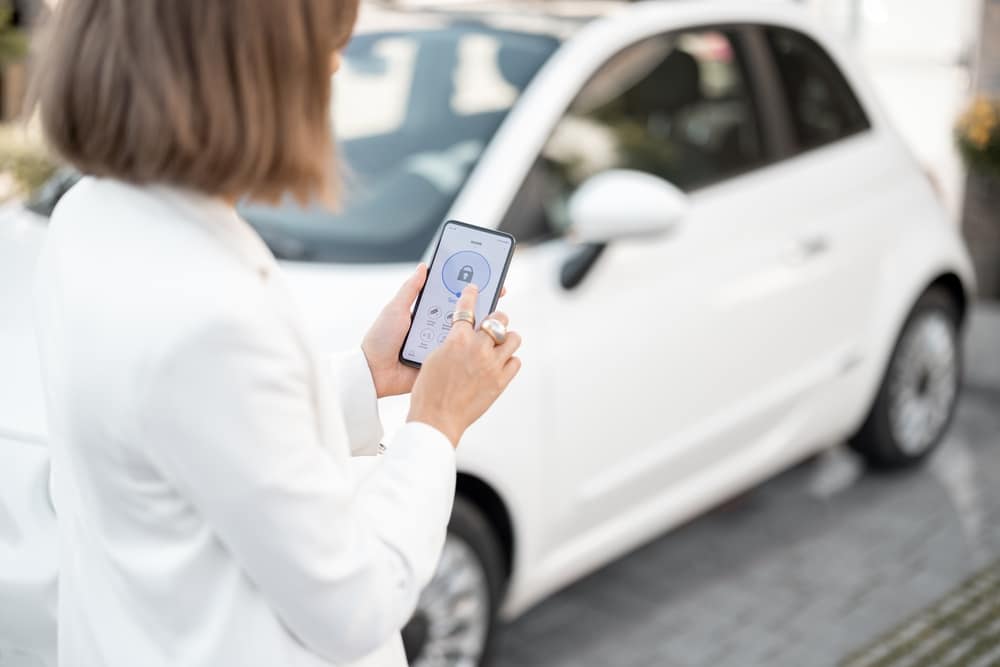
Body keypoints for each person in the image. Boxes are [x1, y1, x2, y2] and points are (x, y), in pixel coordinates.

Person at [28, 1, 522, 666]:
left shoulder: (86, 216)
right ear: (245, 69)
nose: (337, 65)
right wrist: (436, 423)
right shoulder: (211, 316)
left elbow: (189, 431)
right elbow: (356, 606)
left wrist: (366, 375)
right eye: (324, 43)